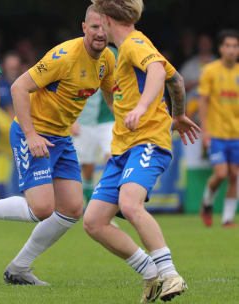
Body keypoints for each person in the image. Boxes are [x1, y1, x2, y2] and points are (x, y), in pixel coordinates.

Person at [0, 5, 116, 286]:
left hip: (61, 137)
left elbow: (111, 96)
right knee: (41, 209)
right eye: (95, 27)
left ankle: (19, 268)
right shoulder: (63, 56)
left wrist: (127, 124)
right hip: (34, 132)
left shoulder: (108, 59)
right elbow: (18, 87)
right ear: (84, 28)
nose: (100, 34)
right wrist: (30, 135)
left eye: (105, 28)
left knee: (73, 209)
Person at [83, 0, 200, 302]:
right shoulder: (126, 49)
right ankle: (150, 271)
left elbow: (158, 74)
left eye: (99, 21)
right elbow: (175, 78)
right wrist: (179, 114)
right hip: (123, 148)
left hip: (147, 141)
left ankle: (171, 274)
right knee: (94, 221)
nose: (98, 28)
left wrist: (143, 106)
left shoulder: (135, 43)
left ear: (107, 19)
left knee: (130, 204)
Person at [199, 29, 239, 228]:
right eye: (228, 46)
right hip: (216, 133)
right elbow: (203, 102)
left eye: (235, 46)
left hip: (236, 134)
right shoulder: (210, 71)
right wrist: (205, 131)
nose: (232, 50)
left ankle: (227, 219)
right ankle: (207, 203)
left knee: (234, 175)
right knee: (221, 174)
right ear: (221, 48)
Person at [72, 46, 117, 203]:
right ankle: (91, 201)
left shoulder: (114, 53)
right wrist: (72, 121)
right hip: (84, 120)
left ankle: (106, 198)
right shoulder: (78, 56)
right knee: (87, 167)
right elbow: (68, 90)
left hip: (108, 119)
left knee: (112, 156)